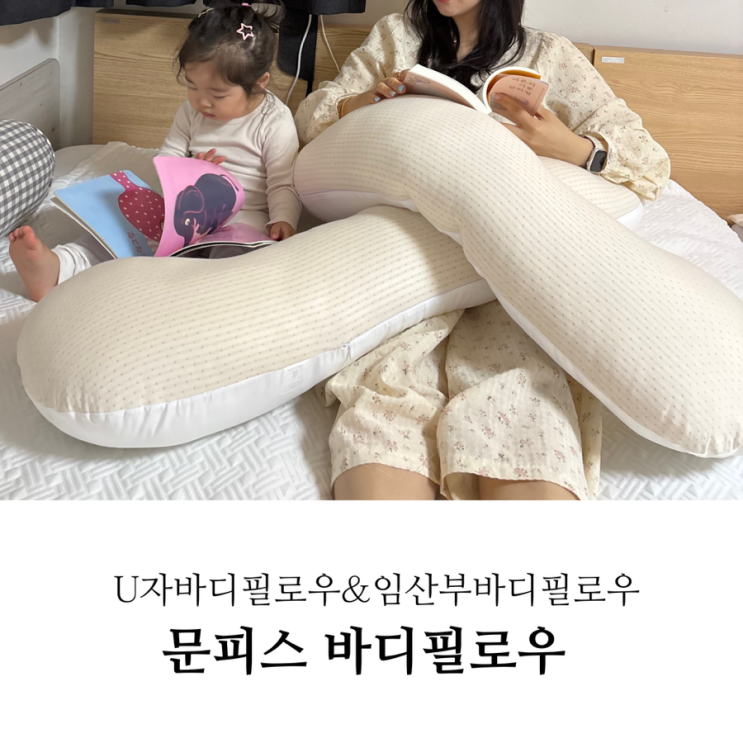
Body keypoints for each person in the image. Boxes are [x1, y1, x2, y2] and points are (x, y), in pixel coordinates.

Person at [295, 0, 671, 502]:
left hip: (509, 261)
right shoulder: (396, 37)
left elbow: (649, 161)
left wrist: (571, 146)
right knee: (385, 395)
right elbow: (312, 117)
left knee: (522, 393)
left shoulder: (550, 55)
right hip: (410, 256)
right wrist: (358, 104)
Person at [10, 0, 301, 302]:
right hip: (185, 207)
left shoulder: (273, 122)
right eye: (192, 86)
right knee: (125, 229)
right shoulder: (191, 112)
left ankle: (200, 294)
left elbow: (283, 183)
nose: (202, 102)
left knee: (242, 254)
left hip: (244, 215)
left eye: (218, 94)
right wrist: (189, 173)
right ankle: (60, 266)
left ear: (259, 83)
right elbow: (167, 157)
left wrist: (284, 220)